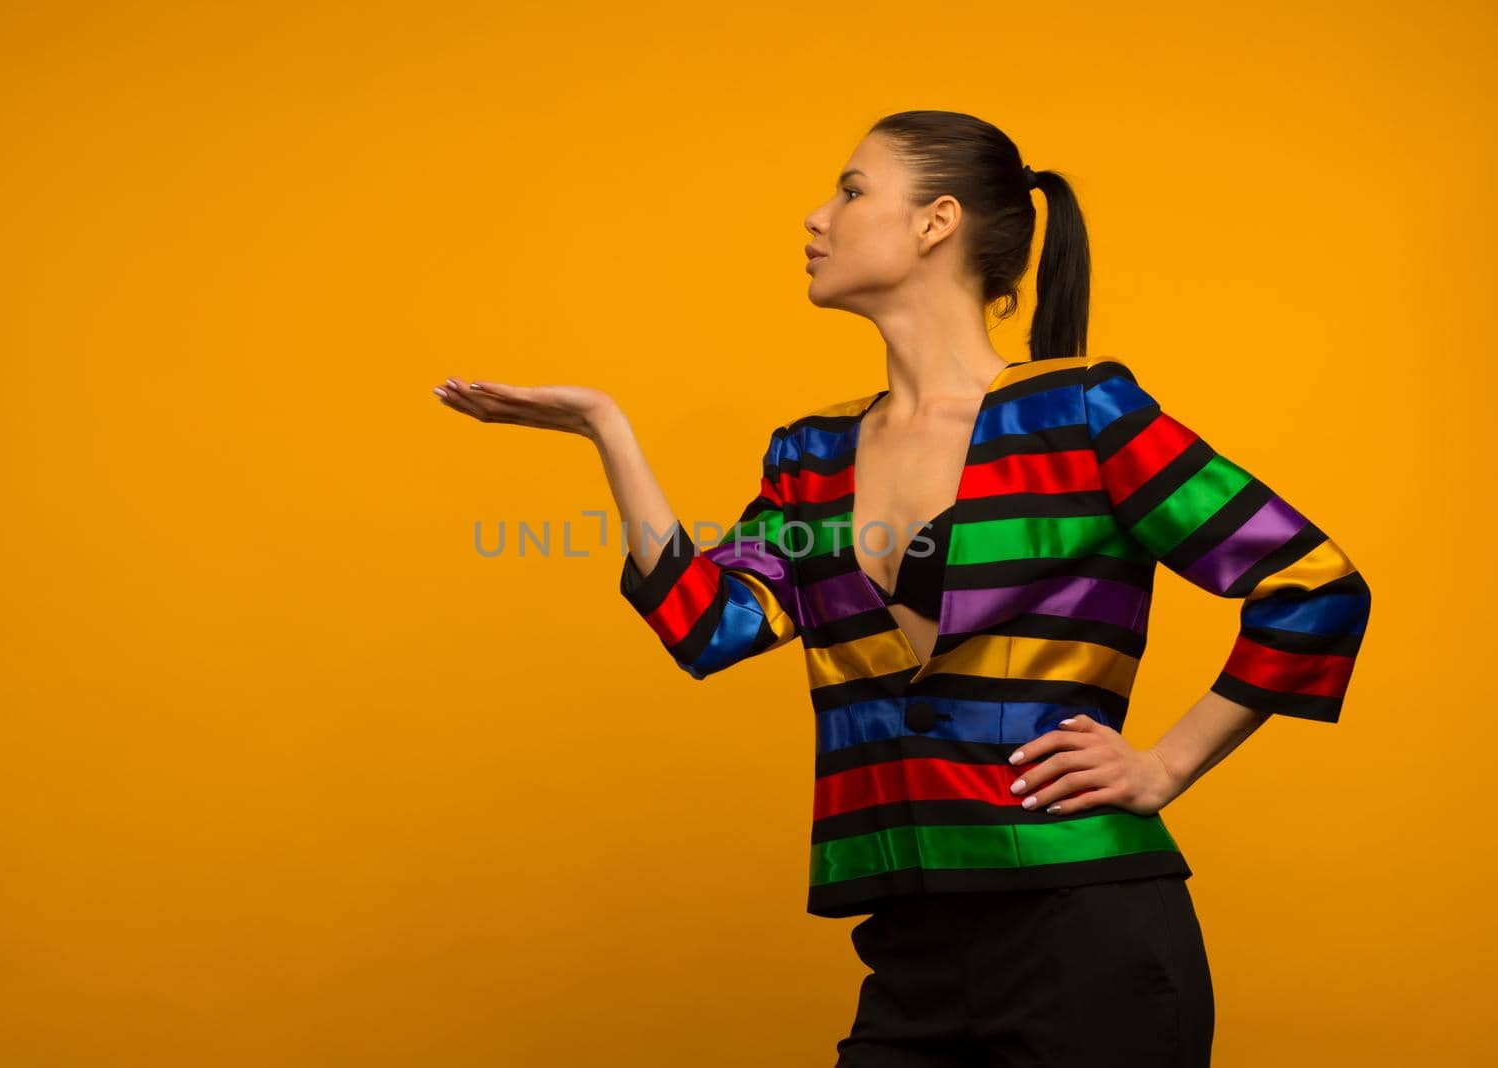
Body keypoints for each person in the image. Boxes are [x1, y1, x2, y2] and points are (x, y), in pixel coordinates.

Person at [432, 109, 1371, 1067]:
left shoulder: (1084, 413)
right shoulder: (811, 455)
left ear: (937, 222)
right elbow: (708, 627)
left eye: (849, 190)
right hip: (910, 950)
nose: (815, 218)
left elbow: (1313, 585)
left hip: (1088, 937)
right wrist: (607, 431)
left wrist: (1165, 765)